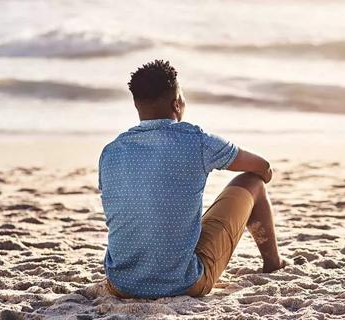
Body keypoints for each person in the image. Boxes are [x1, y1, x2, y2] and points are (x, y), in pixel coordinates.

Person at [98, 59, 287, 299]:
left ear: (137, 104)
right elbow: (263, 167)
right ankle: (273, 263)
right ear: (176, 104)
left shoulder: (111, 151)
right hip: (183, 283)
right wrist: (264, 177)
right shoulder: (195, 140)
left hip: (121, 285)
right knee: (253, 182)